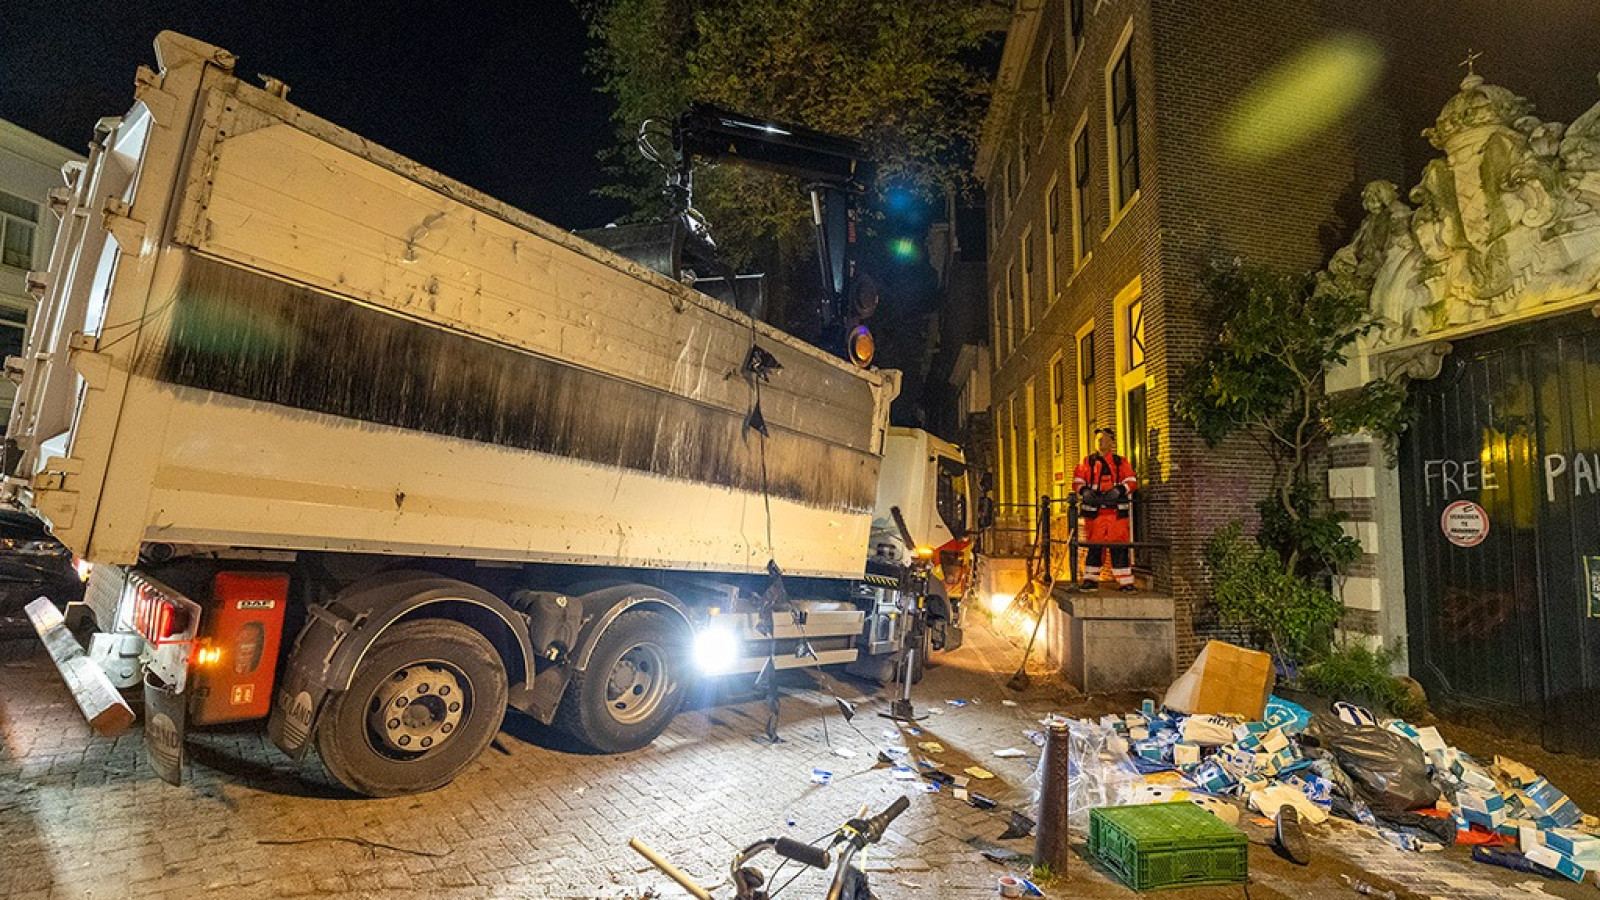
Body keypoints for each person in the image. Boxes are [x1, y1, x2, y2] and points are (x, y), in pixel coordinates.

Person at [1072, 427, 1137, 591]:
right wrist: (1084, 491)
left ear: (1111, 442)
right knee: (1094, 546)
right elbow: (1077, 481)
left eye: (1104, 439)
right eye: (1098, 439)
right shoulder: (1087, 462)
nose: (1100, 442)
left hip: (1116, 512)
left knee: (1119, 546)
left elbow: (1131, 481)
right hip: (1095, 512)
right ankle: (1090, 580)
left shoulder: (1120, 462)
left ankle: (1125, 582)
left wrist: (1119, 490)